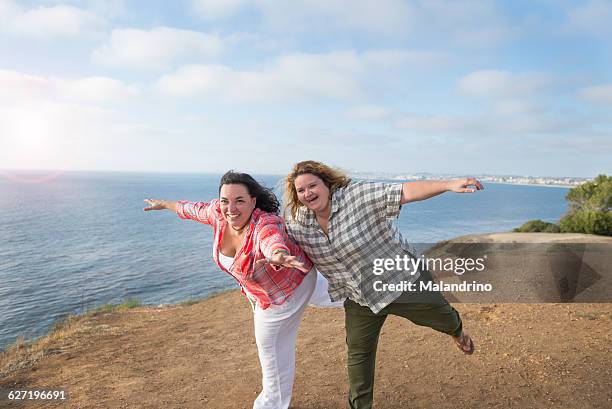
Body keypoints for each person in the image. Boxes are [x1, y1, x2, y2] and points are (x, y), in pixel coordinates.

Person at [275, 160, 482, 409]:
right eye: (301, 190)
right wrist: (277, 253)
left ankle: (457, 332)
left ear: (327, 184)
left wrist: (448, 185)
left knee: (444, 317)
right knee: (358, 357)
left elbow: (405, 192)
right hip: (360, 297)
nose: (308, 193)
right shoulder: (298, 220)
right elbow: (275, 235)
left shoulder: (357, 196)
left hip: (402, 283)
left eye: (313, 185)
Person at [143, 170, 337, 409]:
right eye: (225, 201)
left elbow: (271, 240)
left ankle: (270, 405)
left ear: (253, 202)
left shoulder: (264, 223)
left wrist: (278, 255)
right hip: (299, 277)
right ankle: (377, 293)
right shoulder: (218, 214)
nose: (231, 208)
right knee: (343, 295)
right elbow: (191, 208)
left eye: (240, 201)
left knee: (273, 358)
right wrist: (163, 204)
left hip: (281, 299)